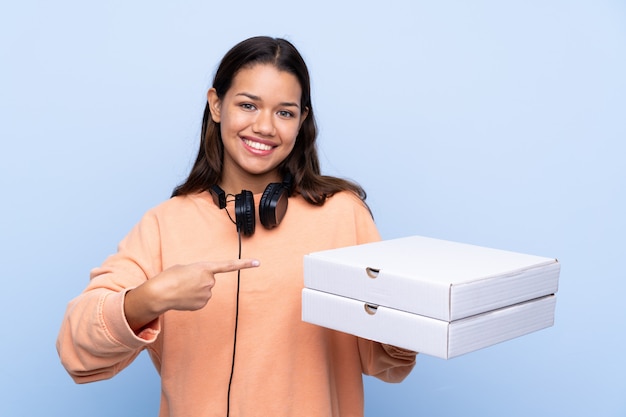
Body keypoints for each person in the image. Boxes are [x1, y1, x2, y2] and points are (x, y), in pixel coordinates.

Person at [57, 35, 416, 417]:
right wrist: (149, 299)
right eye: (248, 105)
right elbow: (77, 352)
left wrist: (411, 317)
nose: (264, 127)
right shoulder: (166, 223)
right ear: (216, 105)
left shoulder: (343, 216)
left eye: (285, 112)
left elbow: (388, 363)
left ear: (302, 121)